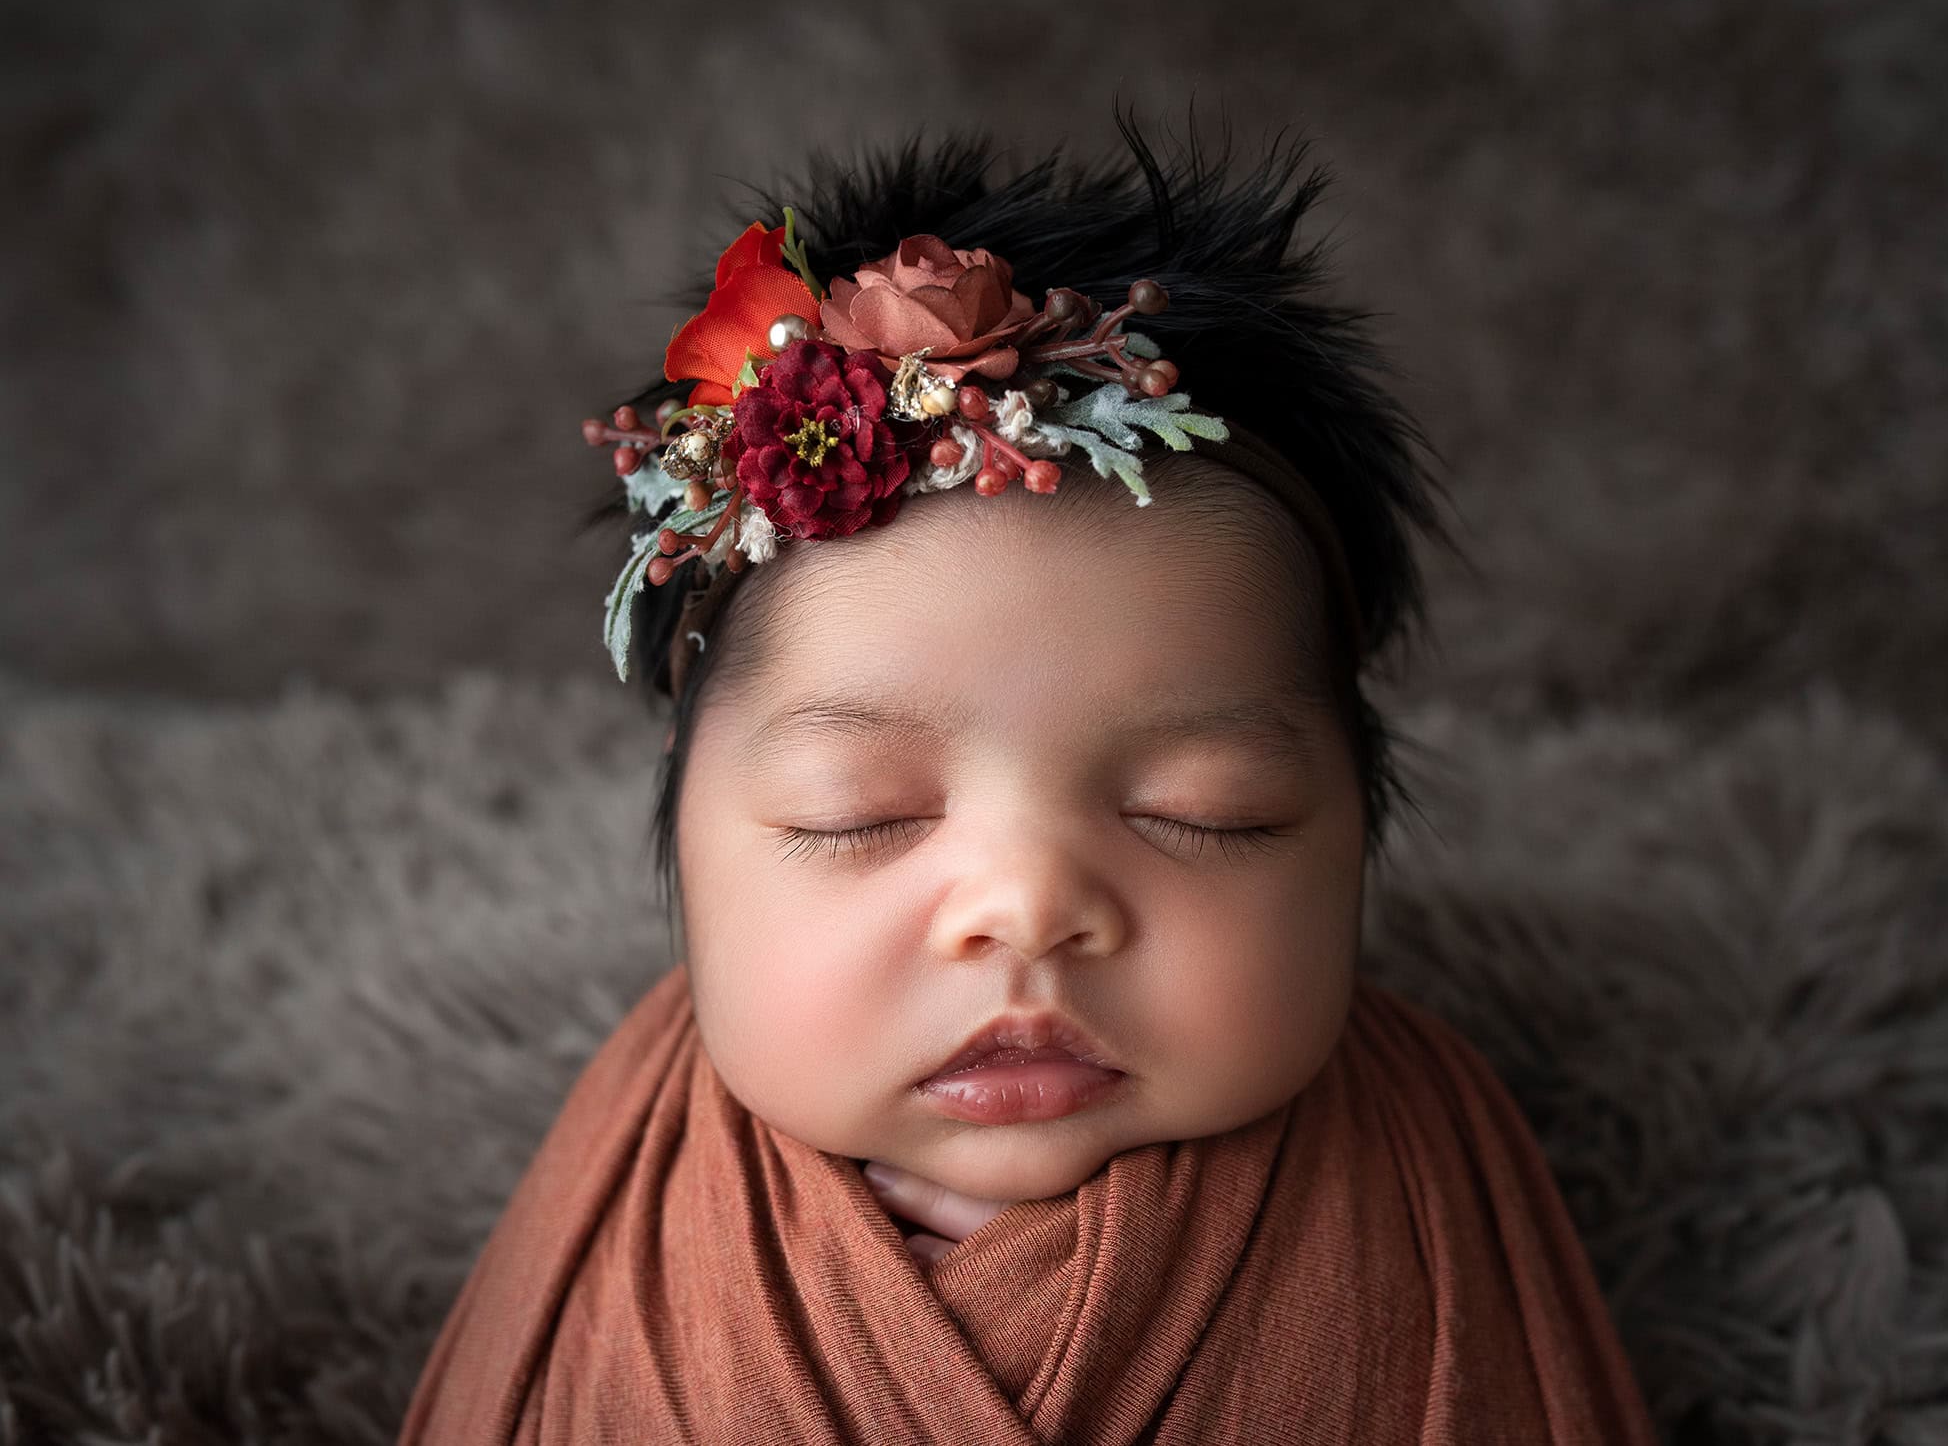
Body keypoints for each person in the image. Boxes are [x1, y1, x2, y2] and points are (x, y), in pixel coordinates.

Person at [396, 111, 1659, 1443]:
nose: (1027, 905)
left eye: (1202, 812)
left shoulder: (1420, 1183)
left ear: (1355, 828)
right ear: (688, 815)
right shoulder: (630, 1197)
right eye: (859, 812)